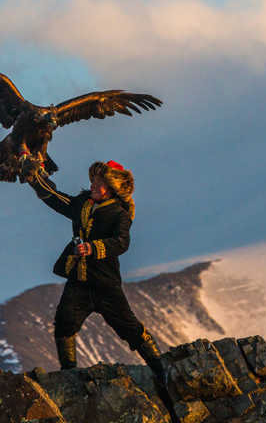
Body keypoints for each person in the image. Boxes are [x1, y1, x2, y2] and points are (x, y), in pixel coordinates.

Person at [21, 155, 166, 385]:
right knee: (64, 323)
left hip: (106, 285)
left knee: (130, 328)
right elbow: (58, 200)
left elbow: (122, 243)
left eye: (98, 182)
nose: (92, 186)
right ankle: (69, 374)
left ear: (110, 188)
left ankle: (162, 370)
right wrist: (35, 180)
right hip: (79, 281)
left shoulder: (120, 214)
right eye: (93, 181)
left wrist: (93, 248)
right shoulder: (82, 204)